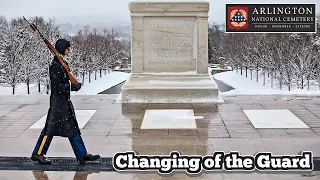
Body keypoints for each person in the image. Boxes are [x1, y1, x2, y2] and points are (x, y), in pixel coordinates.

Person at [31, 39, 100, 165]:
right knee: (49, 130)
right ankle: (38, 153)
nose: (69, 51)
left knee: (72, 129)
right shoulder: (55, 66)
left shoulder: (62, 63)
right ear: (62, 49)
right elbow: (57, 88)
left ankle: (82, 155)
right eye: (67, 48)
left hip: (64, 103)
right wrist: (72, 86)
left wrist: (72, 84)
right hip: (58, 104)